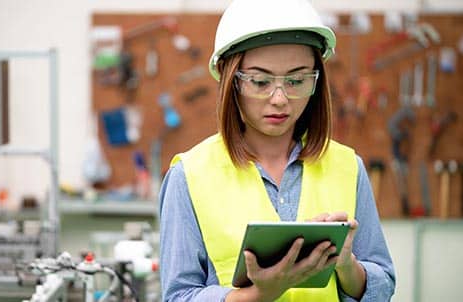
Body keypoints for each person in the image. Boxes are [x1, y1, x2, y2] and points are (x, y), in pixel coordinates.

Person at [158, 0, 396, 301]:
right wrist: (260, 294)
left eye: (297, 80)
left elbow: (383, 285)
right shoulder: (189, 176)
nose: (280, 99)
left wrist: (346, 265)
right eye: (260, 81)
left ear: (316, 81)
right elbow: (179, 296)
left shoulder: (348, 167)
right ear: (230, 78)